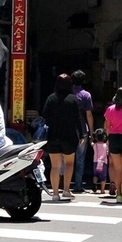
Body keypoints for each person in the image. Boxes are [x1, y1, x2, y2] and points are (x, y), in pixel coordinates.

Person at [41, 73, 82, 201]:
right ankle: (66, 190)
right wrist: (81, 135)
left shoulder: (51, 98)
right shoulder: (73, 99)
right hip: (69, 136)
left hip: (53, 135)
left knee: (55, 166)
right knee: (69, 163)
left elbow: (44, 116)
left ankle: (54, 194)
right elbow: (78, 119)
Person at [70, 69, 94, 193]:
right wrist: (92, 132)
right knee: (80, 159)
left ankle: (63, 184)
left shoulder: (66, 93)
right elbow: (89, 115)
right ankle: (78, 185)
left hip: (67, 129)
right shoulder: (86, 95)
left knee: (65, 158)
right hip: (82, 130)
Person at [91, 128, 110, 194]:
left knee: (95, 175)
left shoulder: (95, 145)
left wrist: (92, 139)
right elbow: (106, 152)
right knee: (103, 177)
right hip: (103, 163)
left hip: (95, 162)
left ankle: (94, 183)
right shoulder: (105, 146)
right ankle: (102, 189)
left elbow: (92, 143)